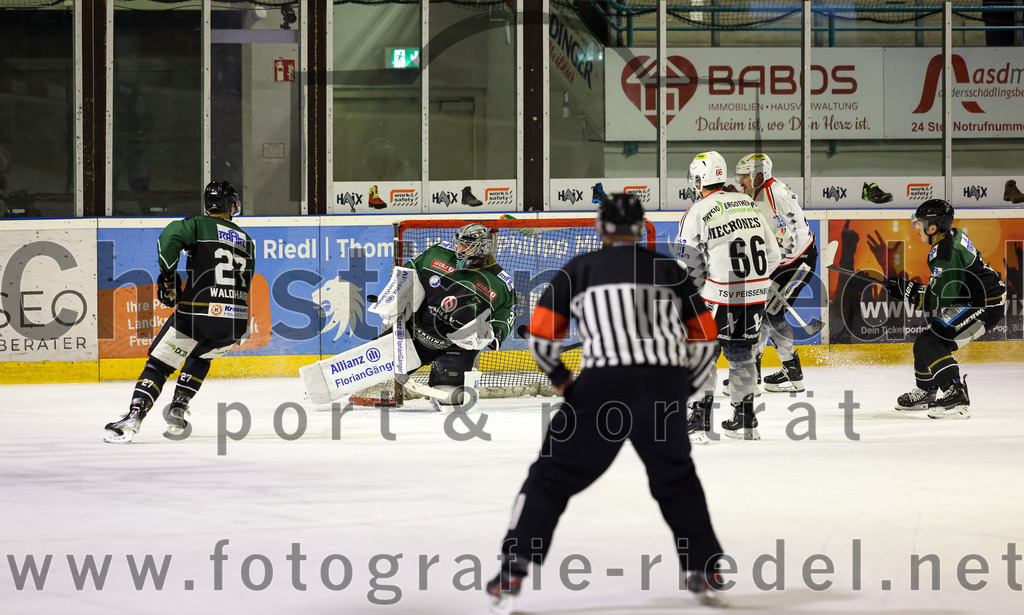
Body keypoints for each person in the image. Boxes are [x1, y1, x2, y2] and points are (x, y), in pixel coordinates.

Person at [486, 194, 726, 613]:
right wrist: (682, 388)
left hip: (603, 388)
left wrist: (564, 381)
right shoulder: (670, 270)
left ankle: (515, 565)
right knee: (677, 479)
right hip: (663, 386)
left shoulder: (579, 269)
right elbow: (705, 338)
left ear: (601, 228)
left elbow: (542, 339)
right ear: (641, 228)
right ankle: (705, 567)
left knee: (551, 478)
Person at [104, 181, 255, 443]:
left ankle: (133, 419)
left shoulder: (197, 224)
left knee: (159, 365)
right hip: (234, 323)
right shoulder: (248, 242)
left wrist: (168, 276)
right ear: (232, 206)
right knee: (202, 355)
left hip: (197, 315)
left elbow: (169, 237)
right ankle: (178, 407)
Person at [675, 151, 781, 441]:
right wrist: (755, 284)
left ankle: (698, 418)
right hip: (756, 295)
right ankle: (745, 420)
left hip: (719, 296)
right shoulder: (748, 203)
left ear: (699, 179)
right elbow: (773, 255)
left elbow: (686, 263)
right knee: (742, 355)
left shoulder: (697, 211)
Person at [888, 199, 1005, 419]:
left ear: (933, 228)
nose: (916, 226)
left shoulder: (944, 254)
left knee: (931, 342)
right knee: (926, 340)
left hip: (985, 306)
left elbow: (934, 301)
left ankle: (955, 392)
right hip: (974, 300)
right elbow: (947, 287)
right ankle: (927, 391)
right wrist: (908, 289)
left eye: (920, 222)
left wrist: (906, 291)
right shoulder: (953, 236)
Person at [398, 222, 516, 407]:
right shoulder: (437, 254)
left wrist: (493, 334)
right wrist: (394, 297)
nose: (460, 249)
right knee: (370, 368)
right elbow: (409, 272)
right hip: (415, 334)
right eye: (460, 243)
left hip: (455, 349)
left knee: (449, 399)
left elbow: (506, 313)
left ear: (483, 248)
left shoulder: (500, 283)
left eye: (467, 245)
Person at [735, 153, 817, 393]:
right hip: (782, 264)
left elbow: (791, 242)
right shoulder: (758, 193)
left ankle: (776, 375)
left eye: (743, 176)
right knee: (762, 315)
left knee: (769, 315)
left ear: (758, 175)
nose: (740, 180)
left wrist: (764, 269)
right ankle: (781, 372)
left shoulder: (774, 197)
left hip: (796, 263)